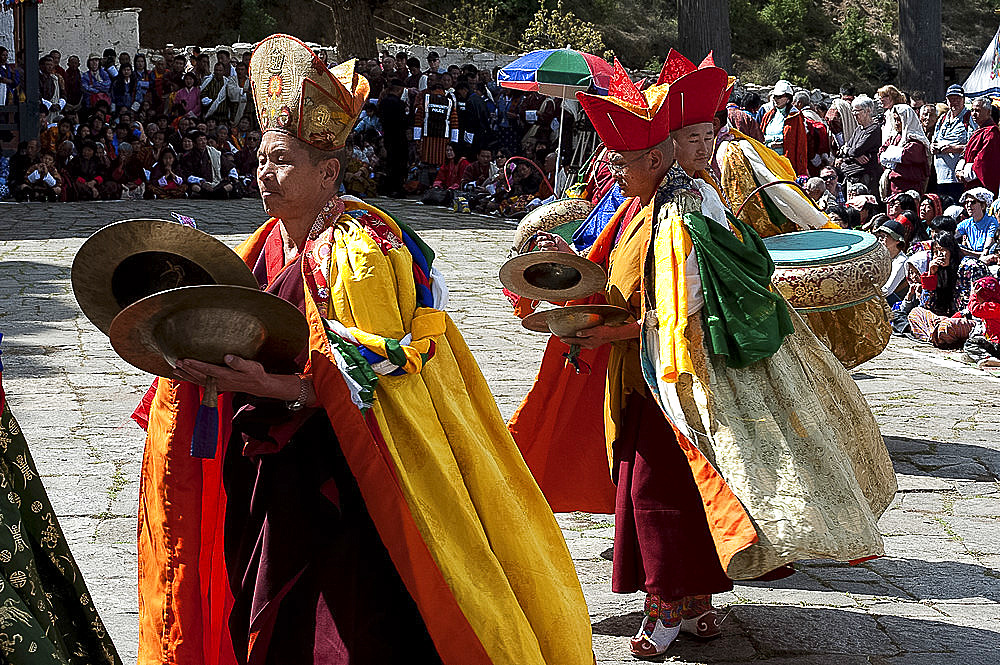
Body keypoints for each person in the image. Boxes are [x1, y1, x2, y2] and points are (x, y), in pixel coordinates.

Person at [131, 35, 592, 665]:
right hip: (264, 460)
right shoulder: (260, 246)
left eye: (284, 161)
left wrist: (282, 389)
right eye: (264, 159)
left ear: (328, 171)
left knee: (347, 621)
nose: (267, 173)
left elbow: (378, 374)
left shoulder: (359, 251)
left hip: (345, 469)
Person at [567, 57, 895, 658]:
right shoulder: (649, 205)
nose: (615, 171)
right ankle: (695, 605)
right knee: (684, 489)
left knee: (655, 490)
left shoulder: (680, 215)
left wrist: (610, 333)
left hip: (682, 373)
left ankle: (667, 606)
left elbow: (680, 310)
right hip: (649, 369)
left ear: (655, 158)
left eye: (625, 161)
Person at [932, 84, 974, 202]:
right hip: (941, 177)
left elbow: (973, 146)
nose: (954, 102)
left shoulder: (969, 117)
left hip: (958, 178)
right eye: (951, 99)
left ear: (963, 100)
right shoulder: (943, 118)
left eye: (957, 99)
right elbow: (935, 140)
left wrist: (953, 148)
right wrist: (933, 147)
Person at [878, 103, 930, 196]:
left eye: (899, 120)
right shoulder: (894, 137)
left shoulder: (916, 139)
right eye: (895, 120)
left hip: (909, 186)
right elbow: (881, 154)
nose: (897, 123)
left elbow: (906, 155)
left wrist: (890, 156)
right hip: (892, 186)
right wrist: (891, 156)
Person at [760, 80, 808, 174]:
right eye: (775, 96)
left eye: (779, 96)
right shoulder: (768, 116)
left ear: (788, 98)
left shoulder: (795, 117)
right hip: (768, 160)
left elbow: (801, 145)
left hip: (785, 163)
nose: (776, 99)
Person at [957, 96, 1000, 195]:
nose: (974, 114)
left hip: (980, 185)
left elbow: (983, 161)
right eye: (972, 110)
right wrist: (959, 168)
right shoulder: (979, 131)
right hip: (970, 183)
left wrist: (965, 174)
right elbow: (965, 152)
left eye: (978, 110)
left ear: (988, 113)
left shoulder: (991, 133)